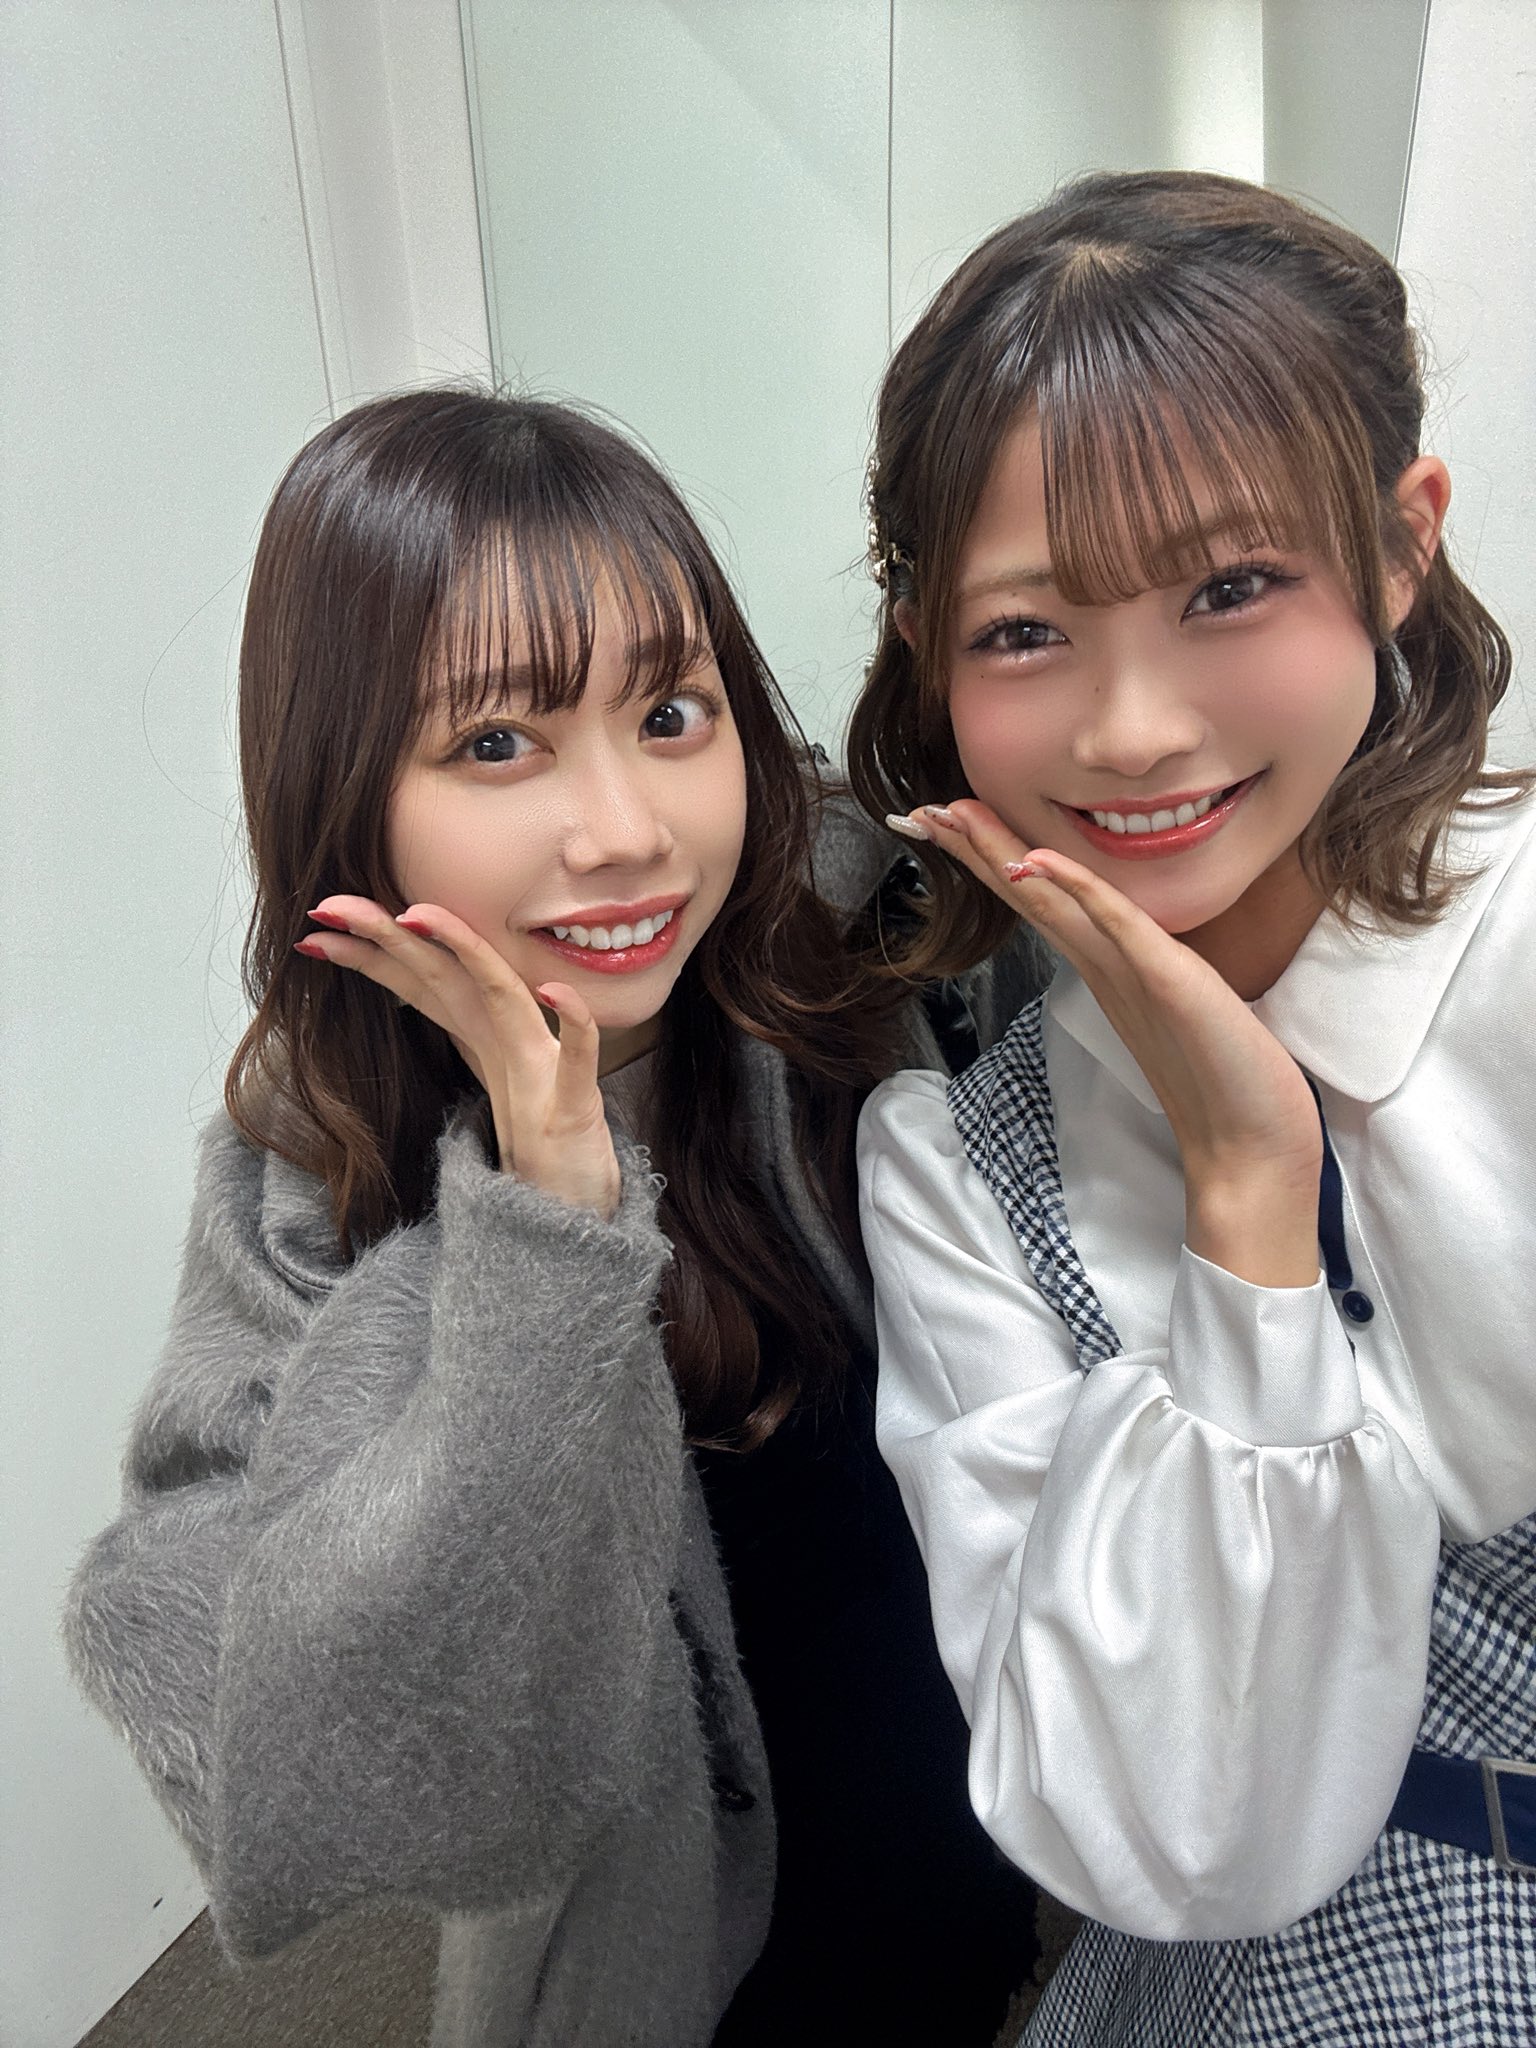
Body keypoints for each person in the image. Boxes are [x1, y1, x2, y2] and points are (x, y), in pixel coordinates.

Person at [65, 389, 1043, 2048]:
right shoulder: (318, 1167)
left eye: (669, 712)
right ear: (347, 788)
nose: (627, 831)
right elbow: (308, 1790)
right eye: (496, 744)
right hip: (670, 1979)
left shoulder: (851, 959)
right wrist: (546, 1232)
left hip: (993, 1843)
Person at [848, 170, 1536, 2044]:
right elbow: (1144, 1826)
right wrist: (1247, 1191)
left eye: (1230, 589)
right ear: (929, 650)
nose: (1134, 728)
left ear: (1399, 548)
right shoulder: (959, 1166)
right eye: (1024, 632)